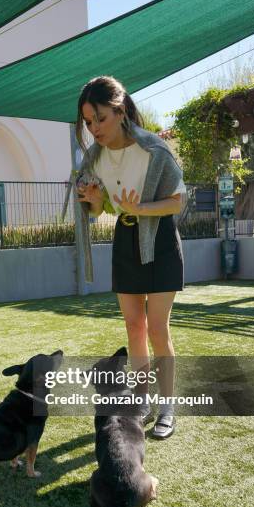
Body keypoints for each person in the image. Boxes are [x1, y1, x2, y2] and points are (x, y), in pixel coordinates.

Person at [75, 76, 186, 439]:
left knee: (157, 329)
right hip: (125, 238)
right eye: (89, 122)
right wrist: (93, 200)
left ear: (120, 112)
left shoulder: (154, 149)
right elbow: (99, 211)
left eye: (101, 119)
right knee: (134, 328)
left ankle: (167, 408)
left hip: (160, 241)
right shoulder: (95, 157)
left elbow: (178, 201)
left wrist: (144, 207)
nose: (94, 129)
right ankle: (141, 402)